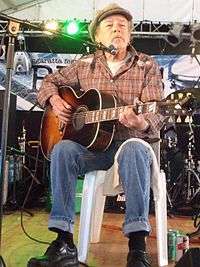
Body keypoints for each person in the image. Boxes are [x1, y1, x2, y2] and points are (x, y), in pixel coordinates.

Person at [27, 3, 165, 267]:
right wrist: (54, 101)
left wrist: (139, 122)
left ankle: (137, 247)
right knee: (63, 149)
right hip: (96, 150)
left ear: (130, 34)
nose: (117, 29)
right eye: (110, 26)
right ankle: (64, 241)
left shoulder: (146, 65)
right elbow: (48, 83)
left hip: (130, 146)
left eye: (123, 26)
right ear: (97, 37)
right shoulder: (85, 65)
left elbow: (156, 113)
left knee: (134, 148)